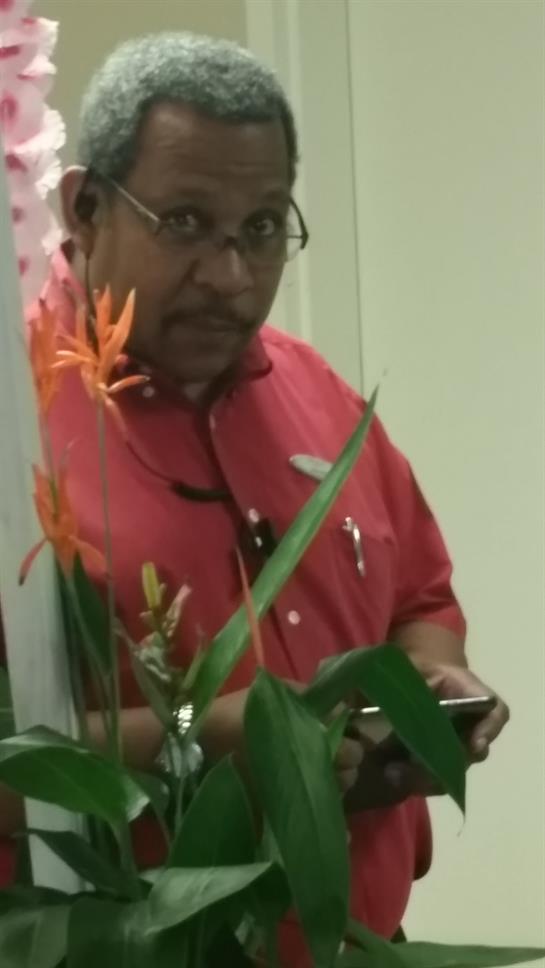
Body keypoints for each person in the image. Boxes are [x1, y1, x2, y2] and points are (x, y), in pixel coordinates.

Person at [0, 33, 509, 966]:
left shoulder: (320, 396)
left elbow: (420, 598)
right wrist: (202, 738)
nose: (231, 277)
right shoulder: (17, 422)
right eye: (185, 222)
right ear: (84, 208)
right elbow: (19, 757)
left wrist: (429, 682)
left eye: (263, 227)